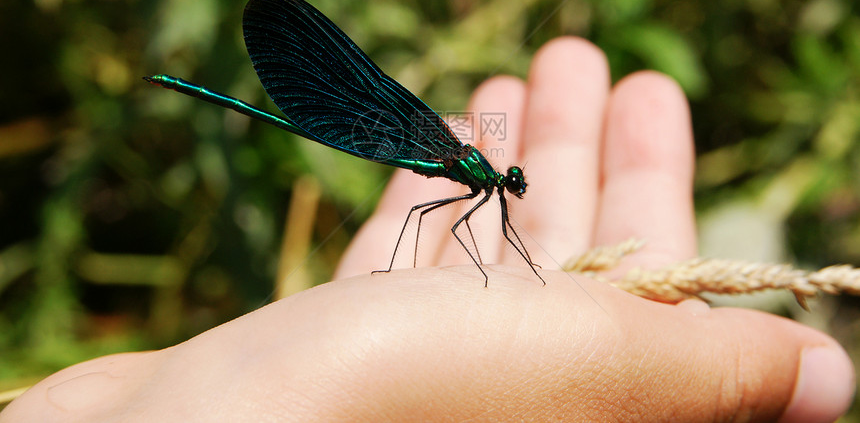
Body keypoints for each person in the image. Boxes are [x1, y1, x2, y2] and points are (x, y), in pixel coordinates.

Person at [3, 38, 854, 422]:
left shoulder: (482, 177)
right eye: (509, 180)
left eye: (509, 182)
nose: (510, 187)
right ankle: (184, 82)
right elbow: (427, 210)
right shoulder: (467, 168)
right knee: (416, 208)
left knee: (421, 207)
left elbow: (487, 220)